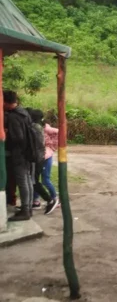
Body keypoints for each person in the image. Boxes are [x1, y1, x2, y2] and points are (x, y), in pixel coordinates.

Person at [4, 90, 35, 222]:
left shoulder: (13, 117)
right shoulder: (24, 112)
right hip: (28, 152)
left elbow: (18, 138)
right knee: (27, 180)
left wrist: (6, 135)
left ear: (5, 102)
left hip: (19, 154)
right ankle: (28, 207)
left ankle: (25, 210)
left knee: (22, 181)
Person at [27, 108, 53, 210]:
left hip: (36, 158)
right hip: (38, 157)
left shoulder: (34, 127)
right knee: (33, 181)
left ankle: (50, 199)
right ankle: (33, 202)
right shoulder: (38, 126)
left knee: (35, 181)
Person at [42, 118, 60, 215]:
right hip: (43, 156)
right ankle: (35, 200)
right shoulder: (43, 129)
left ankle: (54, 198)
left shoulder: (46, 129)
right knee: (35, 181)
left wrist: (53, 146)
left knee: (45, 180)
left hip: (46, 156)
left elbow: (59, 132)